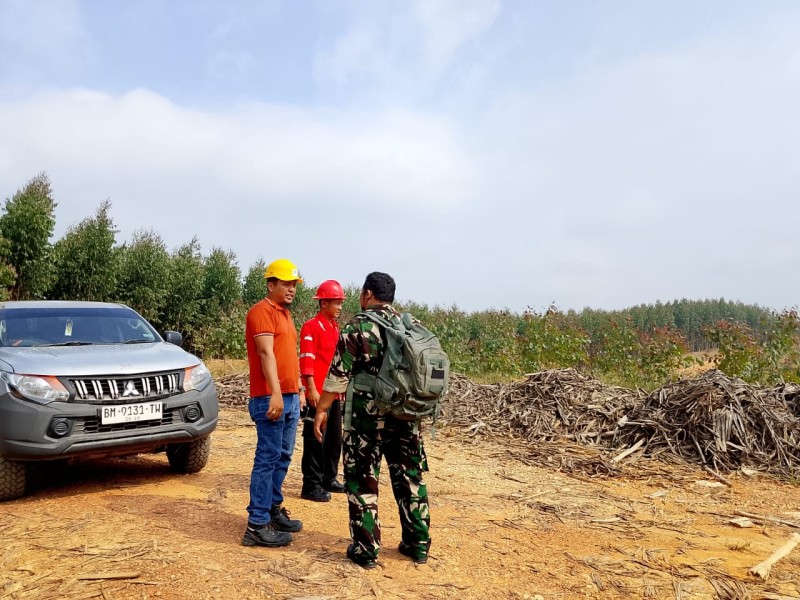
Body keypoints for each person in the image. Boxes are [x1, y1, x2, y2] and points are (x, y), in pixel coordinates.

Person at [314, 272, 431, 569]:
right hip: (407, 416)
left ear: (367, 294)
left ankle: (366, 550)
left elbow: (338, 376)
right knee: (410, 478)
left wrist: (322, 410)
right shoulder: (412, 325)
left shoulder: (358, 326)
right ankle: (417, 545)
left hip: (366, 419)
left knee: (363, 479)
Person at [242, 258, 306, 549]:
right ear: (271, 285)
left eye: (294, 284)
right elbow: (266, 354)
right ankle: (256, 525)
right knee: (267, 458)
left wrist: (299, 389)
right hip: (270, 397)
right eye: (286, 283)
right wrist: (276, 393)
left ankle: (272, 509)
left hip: (290, 396)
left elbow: (288, 356)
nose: (291, 289)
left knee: (283, 456)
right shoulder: (261, 311)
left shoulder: (285, 315)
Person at [299, 280, 347, 502]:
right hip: (318, 393)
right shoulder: (311, 327)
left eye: (340, 303)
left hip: (333, 393)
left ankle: (329, 477)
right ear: (324, 303)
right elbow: (306, 360)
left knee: (334, 438)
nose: (339, 307)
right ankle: (311, 484)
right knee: (316, 438)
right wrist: (310, 389)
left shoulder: (334, 328)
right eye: (336, 303)